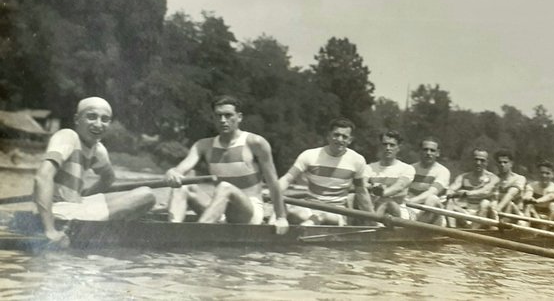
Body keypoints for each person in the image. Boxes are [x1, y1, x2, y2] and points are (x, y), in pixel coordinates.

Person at [33, 97, 156, 246]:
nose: (98, 124)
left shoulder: (98, 149)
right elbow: (42, 177)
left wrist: (83, 196)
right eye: (92, 117)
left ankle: (98, 223)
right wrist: (50, 230)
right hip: (58, 212)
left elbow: (108, 178)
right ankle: (101, 228)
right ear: (77, 119)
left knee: (144, 194)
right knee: (146, 195)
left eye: (104, 119)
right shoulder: (67, 136)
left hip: (75, 206)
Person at [164, 95, 288, 234]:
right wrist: (173, 172)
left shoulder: (256, 143)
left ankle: (198, 234)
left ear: (239, 117)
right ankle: (172, 231)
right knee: (182, 187)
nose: (223, 120)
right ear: (213, 118)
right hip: (220, 209)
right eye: (218, 116)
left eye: (228, 115)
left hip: (249, 212)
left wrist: (281, 217)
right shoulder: (203, 145)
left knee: (225, 187)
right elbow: (181, 169)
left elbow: (273, 183)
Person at [279, 117, 374, 225]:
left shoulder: (357, 160)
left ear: (350, 140)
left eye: (344, 136)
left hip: (337, 212)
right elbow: (287, 179)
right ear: (328, 136)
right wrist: (275, 193)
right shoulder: (309, 155)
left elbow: (361, 192)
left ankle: (303, 230)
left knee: (320, 216)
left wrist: (374, 220)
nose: (339, 139)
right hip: (310, 207)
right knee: (290, 211)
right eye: (336, 135)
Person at [445, 148, 499, 228]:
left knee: (485, 203)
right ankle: (451, 230)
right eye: (476, 159)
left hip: (485, 214)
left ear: (487, 162)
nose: (478, 163)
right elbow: (450, 190)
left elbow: (486, 191)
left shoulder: (494, 178)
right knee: (450, 202)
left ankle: (472, 231)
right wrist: (451, 193)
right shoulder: (463, 177)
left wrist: (467, 193)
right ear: (471, 161)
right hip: (466, 212)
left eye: (482, 160)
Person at [365, 131, 415, 218]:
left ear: (398, 148)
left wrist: (380, 192)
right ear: (380, 147)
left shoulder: (407, 168)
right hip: (373, 209)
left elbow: (399, 186)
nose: (388, 148)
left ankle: (374, 223)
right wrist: (373, 187)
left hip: (399, 211)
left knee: (388, 203)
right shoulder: (369, 167)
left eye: (392, 145)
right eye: (385, 144)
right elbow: (362, 183)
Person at [406, 138, 451, 225]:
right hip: (412, 210)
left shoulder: (443, 171)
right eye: (425, 149)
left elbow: (431, 192)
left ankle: (414, 229)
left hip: (434, 215)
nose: (428, 153)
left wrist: (409, 202)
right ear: (420, 151)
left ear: (438, 153)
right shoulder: (410, 168)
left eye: (432, 150)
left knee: (432, 199)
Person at [489, 150, 526, 221]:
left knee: (509, 204)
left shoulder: (519, 178)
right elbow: (493, 197)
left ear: (511, 164)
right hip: (496, 213)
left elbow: (510, 194)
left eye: (505, 162)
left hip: (516, 213)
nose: (502, 164)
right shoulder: (493, 178)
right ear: (496, 164)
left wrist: (498, 208)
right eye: (499, 162)